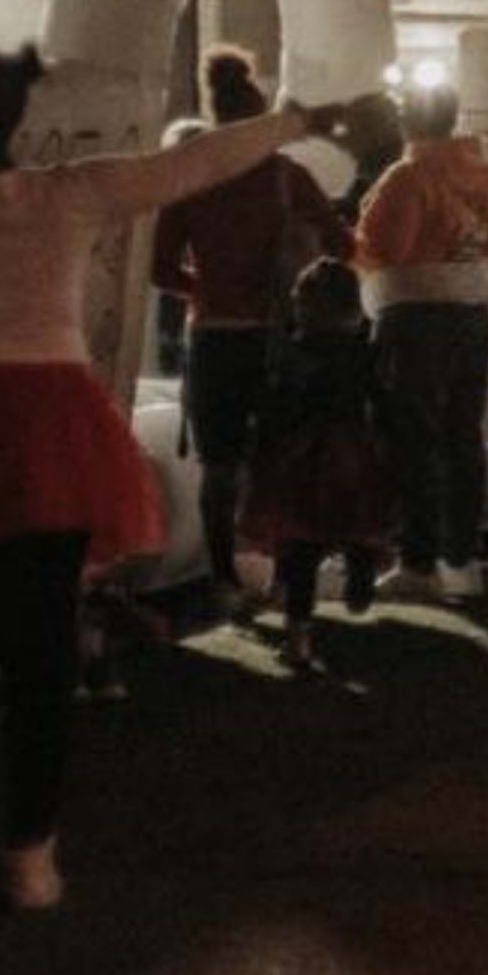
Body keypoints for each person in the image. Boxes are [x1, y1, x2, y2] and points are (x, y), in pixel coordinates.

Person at [0, 38, 360, 911]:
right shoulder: (70, 193)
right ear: (15, 124)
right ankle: (29, 859)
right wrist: (304, 121)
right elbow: (192, 161)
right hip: (53, 431)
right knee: (40, 649)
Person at [148, 46, 351, 610]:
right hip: (281, 336)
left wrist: (203, 288)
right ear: (261, 118)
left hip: (214, 335)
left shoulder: (191, 182)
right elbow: (343, 247)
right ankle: (287, 579)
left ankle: (223, 579)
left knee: (219, 465)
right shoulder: (290, 178)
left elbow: (158, 267)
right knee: (283, 460)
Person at [351, 82, 488, 604]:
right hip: (470, 310)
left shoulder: (407, 176)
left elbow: (387, 249)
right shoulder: (479, 170)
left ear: (407, 123)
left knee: (414, 438)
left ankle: (417, 560)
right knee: (463, 437)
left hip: (414, 315)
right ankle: (462, 560)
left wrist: (346, 239)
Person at [242, 257, 400, 675]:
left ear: (305, 307)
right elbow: (384, 403)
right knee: (356, 523)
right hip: (353, 452)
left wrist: (259, 447)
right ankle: (362, 567)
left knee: (301, 549)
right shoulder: (366, 353)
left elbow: (275, 405)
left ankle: (298, 638)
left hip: (301, 459)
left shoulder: (293, 353)